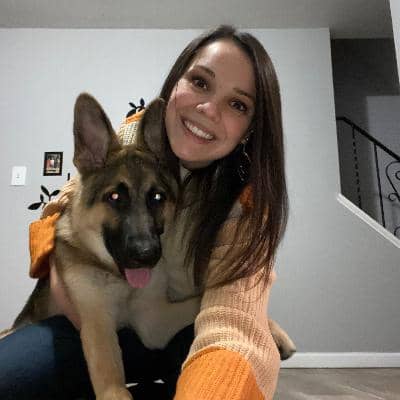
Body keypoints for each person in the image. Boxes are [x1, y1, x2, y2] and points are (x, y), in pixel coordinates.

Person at [0, 25, 288, 400]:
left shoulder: (246, 206)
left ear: (250, 128)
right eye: (201, 82)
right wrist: (57, 258)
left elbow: (232, 323)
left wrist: (253, 324)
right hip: (79, 327)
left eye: (238, 104)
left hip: (181, 331)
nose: (209, 109)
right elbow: (70, 199)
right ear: (175, 82)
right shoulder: (129, 144)